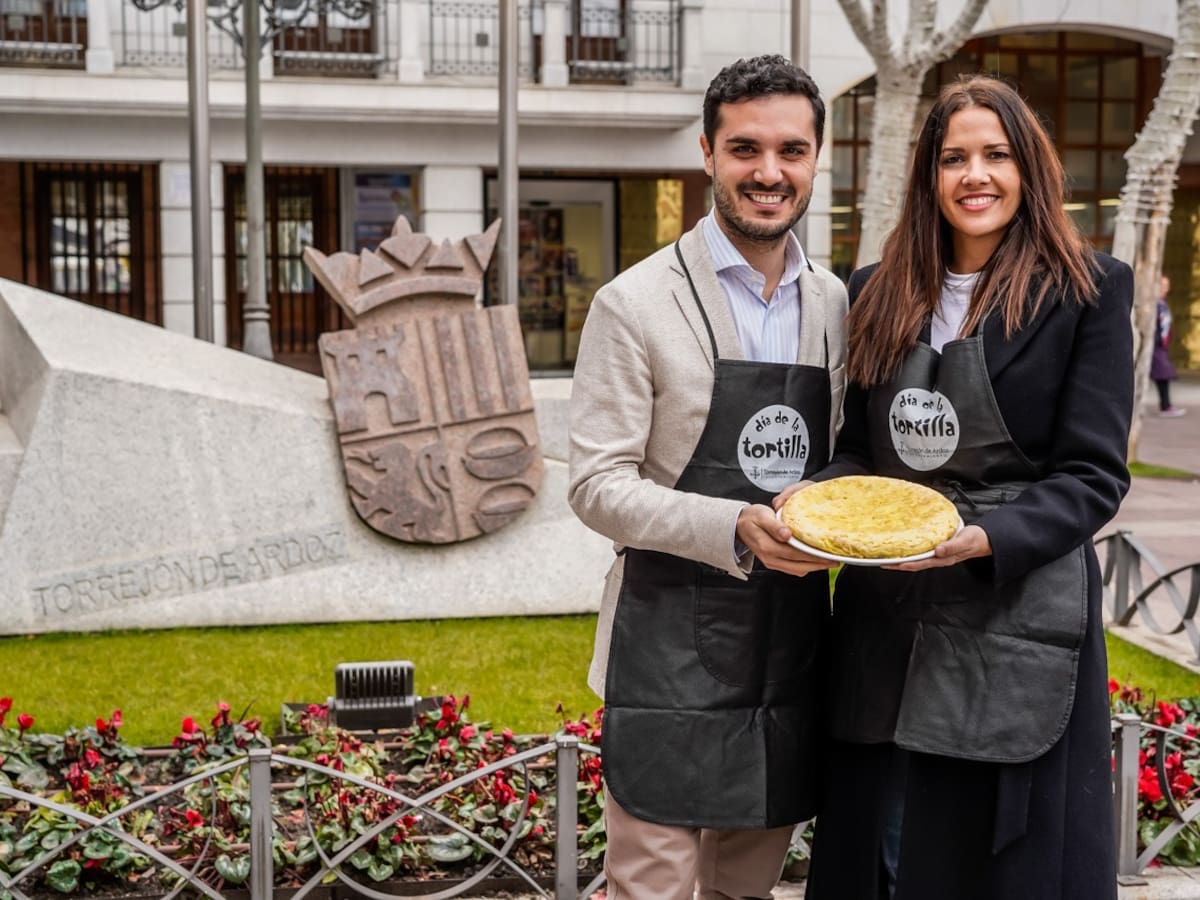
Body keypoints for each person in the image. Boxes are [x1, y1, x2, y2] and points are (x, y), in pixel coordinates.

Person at [794, 75, 1133, 900]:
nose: (974, 176)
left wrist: (985, 539)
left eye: (996, 155)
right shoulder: (874, 288)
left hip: (1014, 604)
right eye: (954, 158)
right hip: (890, 610)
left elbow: (1093, 474)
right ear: (928, 176)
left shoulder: (1086, 289)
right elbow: (854, 456)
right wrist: (810, 507)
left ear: (1030, 170)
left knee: (985, 854)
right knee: (883, 838)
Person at [567, 54, 847, 900]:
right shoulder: (633, 303)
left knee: (746, 890)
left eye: (791, 151)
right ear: (707, 153)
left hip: (789, 641)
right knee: (650, 888)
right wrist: (731, 525)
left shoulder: (837, 302)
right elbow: (596, 484)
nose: (769, 172)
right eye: (745, 149)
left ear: (815, 160)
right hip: (664, 646)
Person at [1152, 275, 1186, 417]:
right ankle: (1165, 406)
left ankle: (1166, 405)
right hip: (1155, 344)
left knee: (1163, 375)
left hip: (1160, 344)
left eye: (1167, 285)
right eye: (1163, 285)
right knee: (1163, 374)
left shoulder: (1162, 303)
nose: (1166, 288)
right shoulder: (1154, 304)